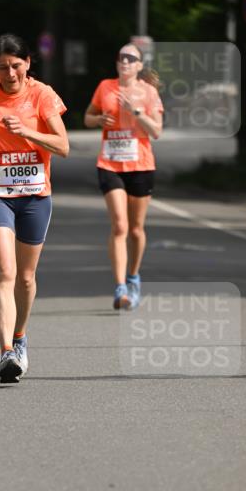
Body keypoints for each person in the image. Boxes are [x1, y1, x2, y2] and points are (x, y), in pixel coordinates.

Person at [0, 33, 69, 383]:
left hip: (35, 195)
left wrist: (28, 131)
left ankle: (20, 336)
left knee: (25, 278)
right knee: (4, 272)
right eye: (2, 67)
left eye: (15, 66)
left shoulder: (42, 95)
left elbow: (63, 146)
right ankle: (6, 353)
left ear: (27, 63)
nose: (9, 74)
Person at [84, 43, 163, 310]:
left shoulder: (148, 92)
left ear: (139, 65)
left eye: (131, 58)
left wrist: (136, 111)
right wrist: (98, 121)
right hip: (110, 163)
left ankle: (133, 277)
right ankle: (120, 288)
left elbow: (156, 131)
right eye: (121, 57)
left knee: (136, 229)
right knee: (120, 226)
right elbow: (87, 117)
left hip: (141, 165)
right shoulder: (105, 87)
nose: (125, 61)